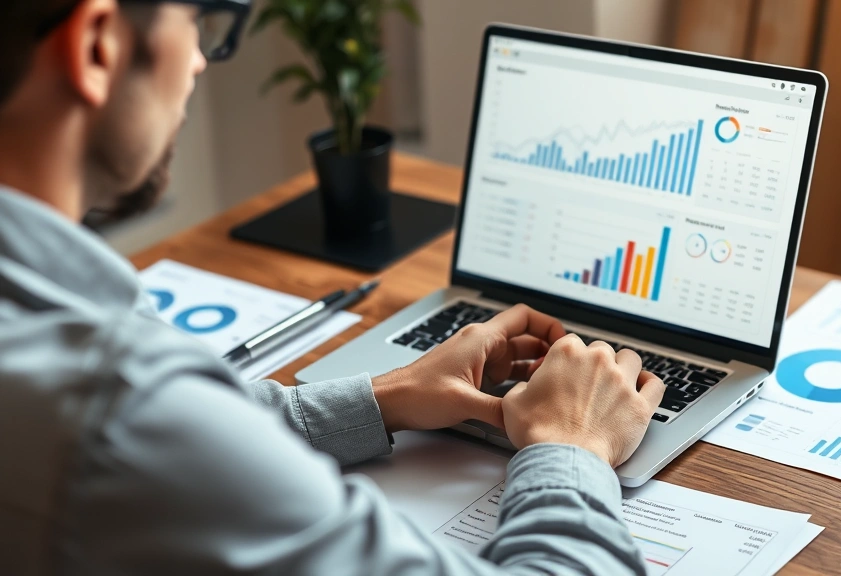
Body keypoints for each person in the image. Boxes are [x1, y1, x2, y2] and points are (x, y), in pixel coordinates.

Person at [0, 1, 667, 574]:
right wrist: (572, 446)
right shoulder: (121, 406)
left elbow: (194, 437)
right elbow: (163, 432)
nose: (200, 60)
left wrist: (386, 397)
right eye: (202, 19)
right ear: (97, 45)